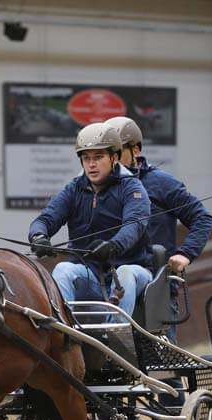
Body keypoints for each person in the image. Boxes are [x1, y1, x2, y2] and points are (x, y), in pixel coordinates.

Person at [105, 116, 212, 339]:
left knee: (164, 360)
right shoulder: (96, 187)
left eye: (117, 151)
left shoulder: (161, 183)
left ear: (136, 150)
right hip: (107, 288)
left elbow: (202, 218)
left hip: (155, 290)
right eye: (107, 153)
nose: (112, 159)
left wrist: (186, 253)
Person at [28, 122, 153, 317]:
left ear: (114, 157)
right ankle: (63, 330)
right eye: (86, 158)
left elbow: (134, 224)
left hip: (133, 274)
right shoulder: (73, 189)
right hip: (91, 276)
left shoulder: (133, 188)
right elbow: (45, 219)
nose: (91, 164)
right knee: (63, 269)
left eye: (98, 157)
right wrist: (38, 236)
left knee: (125, 272)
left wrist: (113, 246)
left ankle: (116, 332)